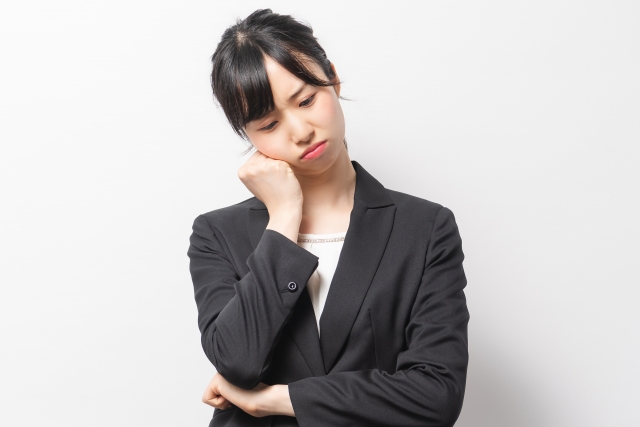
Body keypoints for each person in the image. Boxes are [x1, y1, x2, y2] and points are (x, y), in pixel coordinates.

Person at [187, 8, 470, 427]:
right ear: (248, 135)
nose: (301, 131)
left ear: (333, 79)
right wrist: (284, 218)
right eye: (269, 123)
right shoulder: (217, 233)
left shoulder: (425, 228)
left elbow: (436, 396)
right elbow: (237, 361)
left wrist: (280, 399)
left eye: (306, 100)